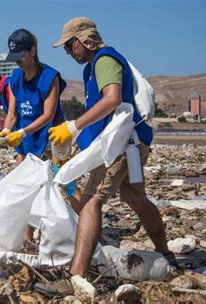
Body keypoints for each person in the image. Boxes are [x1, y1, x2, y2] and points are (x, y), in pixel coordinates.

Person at [49, 17, 178, 283]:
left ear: (82, 40)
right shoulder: (93, 67)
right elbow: (100, 117)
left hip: (120, 145)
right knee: (136, 199)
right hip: (128, 145)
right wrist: (73, 148)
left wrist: (72, 126)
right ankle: (166, 255)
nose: (68, 53)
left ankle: (77, 275)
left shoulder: (104, 61)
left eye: (68, 46)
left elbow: (113, 99)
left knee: (90, 202)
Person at [0, 28, 67, 166]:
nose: (17, 60)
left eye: (21, 55)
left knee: (62, 179)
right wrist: (7, 130)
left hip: (50, 134)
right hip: (25, 136)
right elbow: (12, 114)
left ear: (32, 50)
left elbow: (48, 115)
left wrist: (22, 133)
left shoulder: (49, 76)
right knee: (24, 178)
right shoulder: (16, 77)